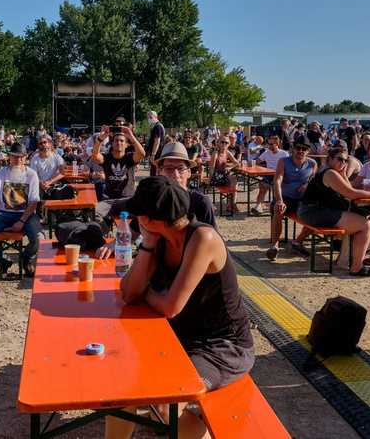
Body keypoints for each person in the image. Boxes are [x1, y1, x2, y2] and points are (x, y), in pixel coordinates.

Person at [106, 177, 254, 438]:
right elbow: (129, 293)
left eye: (138, 213)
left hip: (223, 346)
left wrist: (147, 293)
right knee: (123, 380)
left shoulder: (203, 238)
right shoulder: (159, 238)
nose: (134, 218)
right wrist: (148, 245)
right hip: (181, 337)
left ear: (152, 219)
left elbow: (170, 307)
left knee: (162, 409)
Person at [295, 147, 370, 277]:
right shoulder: (330, 173)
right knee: (365, 224)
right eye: (340, 159)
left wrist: (344, 174)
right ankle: (357, 267)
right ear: (330, 159)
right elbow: (352, 194)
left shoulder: (327, 171)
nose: (343, 162)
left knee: (359, 221)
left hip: (309, 210)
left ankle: (346, 259)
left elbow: (349, 190)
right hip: (314, 212)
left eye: (346, 160)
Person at [0, 142, 42, 278]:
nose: (17, 160)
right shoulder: (0, 175)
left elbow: (34, 202)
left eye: (21, 157)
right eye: (14, 156)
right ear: (9, 157)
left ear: (25, 157)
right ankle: (3, 261)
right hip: (4, 213)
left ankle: (26, 259)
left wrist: (22, 221)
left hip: (26, 214)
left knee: (39, 238)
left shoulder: (32, 175)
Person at [267, 136, 317, 260]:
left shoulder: (312, 164)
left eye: (304, 149)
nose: (300, 151)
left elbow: (312, 180)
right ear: (293, 149)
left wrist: (306, 185)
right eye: (298, 148)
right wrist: (279, 200)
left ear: (308, 151)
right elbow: (277, 181)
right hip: (285, 197)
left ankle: (298, 242)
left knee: (317, 215)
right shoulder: (283, 161)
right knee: (279, 210)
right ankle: (275, 246)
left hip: (301, 200)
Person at [91, 125, 146, 234]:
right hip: (109, 200)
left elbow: (142, 154)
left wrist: (131, 136)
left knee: (142, 214)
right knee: (93, 212)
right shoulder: (107, 159)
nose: (119, 143)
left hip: (127, 199)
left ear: (126, 145)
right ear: (112, 143)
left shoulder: (129, 158)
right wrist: (101, 138)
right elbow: (95, 154)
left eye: (122, 141)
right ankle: (108, 235)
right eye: (116, 140)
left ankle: (136, 239)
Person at [250, 136, 289, 215]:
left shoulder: (284, 154)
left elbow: (288, 166)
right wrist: (243, 164)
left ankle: (278, 204)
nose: (269, 146)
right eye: (268, 144)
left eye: (271, 144)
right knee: (263, 187)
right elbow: (257, 161)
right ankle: (258, 206)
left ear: (277, 143)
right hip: (268, 174)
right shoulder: (266, 153)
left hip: (280, 175)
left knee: (278, 187)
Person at [208, 135, 242, 213]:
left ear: (229, 144)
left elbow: (237, 163)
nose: (224, 144)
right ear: (219, 143)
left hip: (224, 175)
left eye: (226, 143)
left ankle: (231, 204)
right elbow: (212, 168)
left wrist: (230, 167)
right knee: (233, 181)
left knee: (234, 181)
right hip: (217, 176)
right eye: (222, 142)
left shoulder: (227, 152)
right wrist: (210, 182)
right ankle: (232, 204)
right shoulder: (215, 153)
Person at [145, 110, 166, 176]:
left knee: (155, 173)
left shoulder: (158, 127)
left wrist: (153, 154)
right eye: (148, 118)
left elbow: (157, 141)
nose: (149, 119)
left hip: (158, 154)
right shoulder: (154, 127)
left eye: (151, 117)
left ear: (155, 117)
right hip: (156, 153)